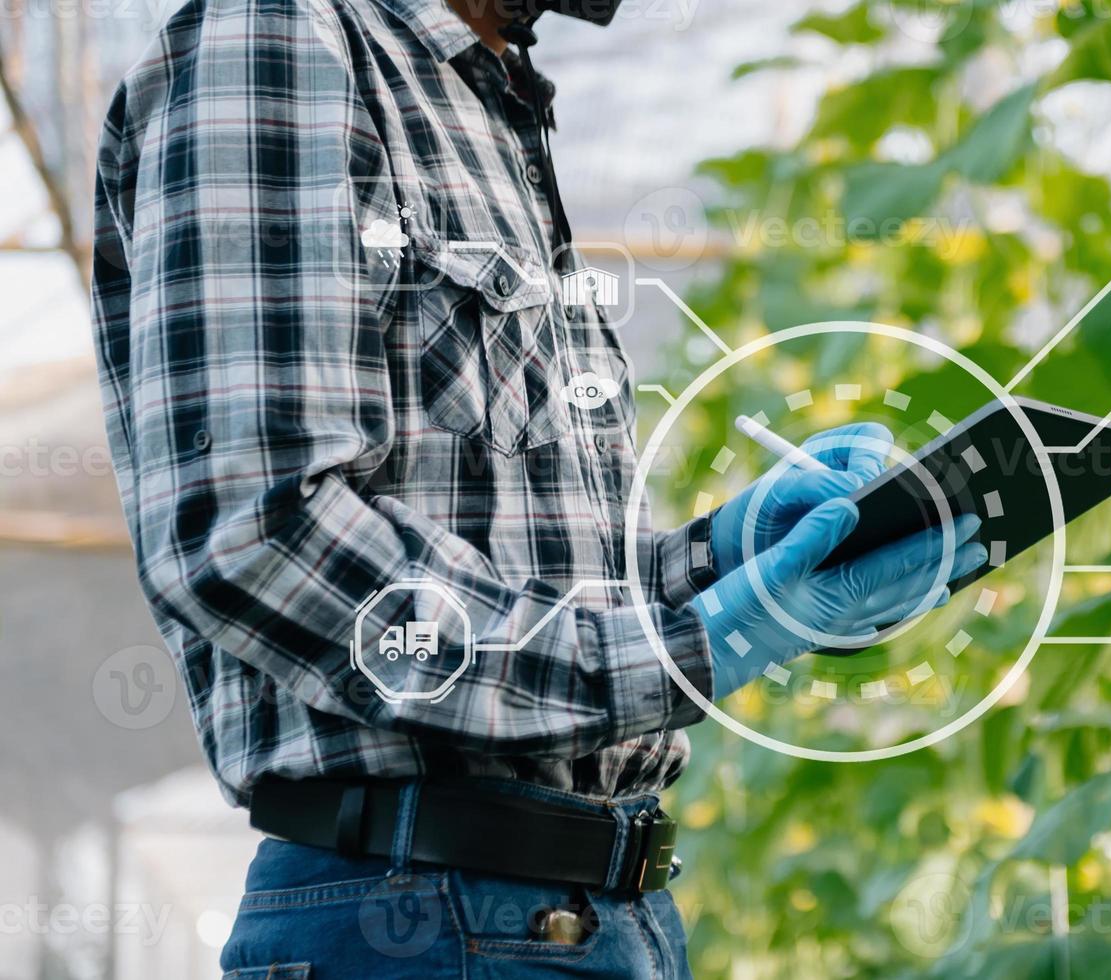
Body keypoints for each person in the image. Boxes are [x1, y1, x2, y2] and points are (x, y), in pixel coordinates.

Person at [88, 0, 986, 974]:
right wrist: (695, 643)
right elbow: (256, 533)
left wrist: (721, 560)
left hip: (588, 914)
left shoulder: (491, 97)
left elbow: (527, 575)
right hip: (420, 915)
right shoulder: (277, 38)